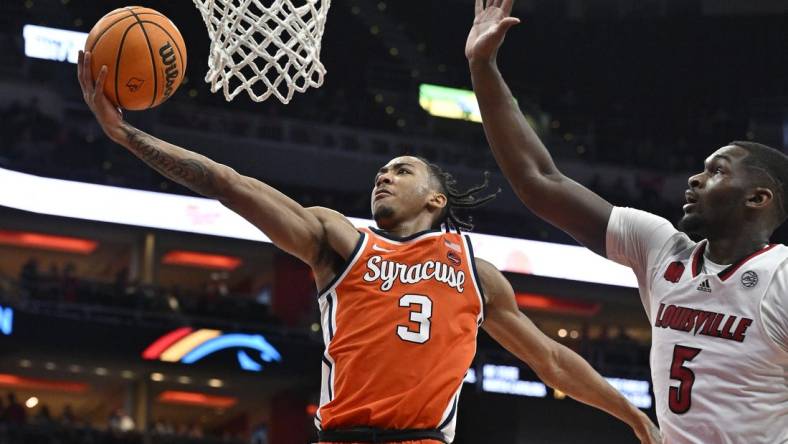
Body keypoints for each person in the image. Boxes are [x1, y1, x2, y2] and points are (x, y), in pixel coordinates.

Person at [77, 50, 659, 443]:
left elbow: (551, 361)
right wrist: (125, 135)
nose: (383, 176)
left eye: (402, 171)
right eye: (380, 171)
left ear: (435, 200)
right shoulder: (339, 241)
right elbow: (232, 184)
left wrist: (635, 417)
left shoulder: (477, 274)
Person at [465, 1, 788, 442]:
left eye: (717, 172)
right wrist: (483, 66)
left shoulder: (781, 277)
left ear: (758, 197)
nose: (695, 178)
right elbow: (539, 181)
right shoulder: (659, 248)